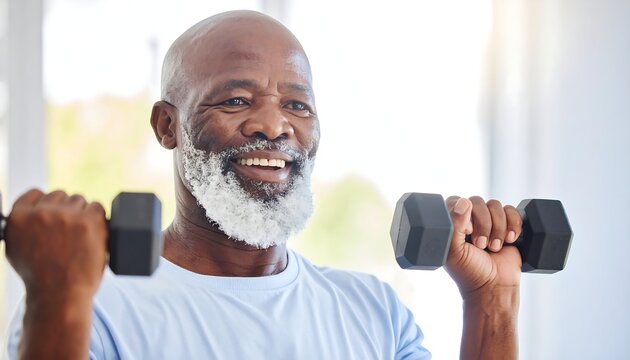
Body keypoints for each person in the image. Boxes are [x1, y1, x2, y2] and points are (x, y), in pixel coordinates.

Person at [5, 10, 522, 359]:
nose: (274, 126)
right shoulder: (87, 305)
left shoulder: (375, 314)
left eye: (297, 105)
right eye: (235, 101)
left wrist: (490, 301)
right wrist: (56, 299)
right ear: (168, 126)